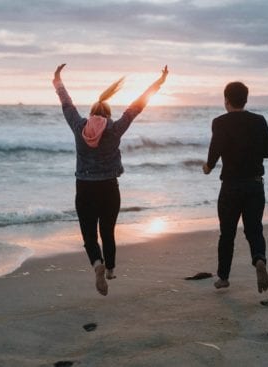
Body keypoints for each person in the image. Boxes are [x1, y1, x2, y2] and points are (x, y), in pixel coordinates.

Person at [53, 64, 168, 295]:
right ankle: (111, 269)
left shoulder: (79, 126)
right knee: (108, 231)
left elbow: (67, 105)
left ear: (93, 111)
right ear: (107, 114)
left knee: (88, 233)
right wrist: (158, 83)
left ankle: (97, 264)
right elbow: (137, 107)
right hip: (109, 187)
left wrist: (57, 81)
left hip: (84, 187)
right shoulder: (115, 129)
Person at [203, 81, 268, 293]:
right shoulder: (259, 120)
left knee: (227, 233)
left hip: (231, 187)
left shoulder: (220, 122)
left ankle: (223, 277)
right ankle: (259, 260)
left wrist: (208, 167)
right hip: (255, 184)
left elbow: (215, 150)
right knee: (254, 229)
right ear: (246, 99)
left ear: (226, 100)